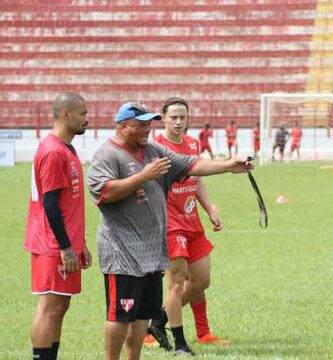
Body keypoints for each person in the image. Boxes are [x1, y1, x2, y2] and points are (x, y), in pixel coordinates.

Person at [87, 101, 253, 359]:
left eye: (149, 124)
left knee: (142, 319)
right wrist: (142, 176)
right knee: (120, 318)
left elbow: (190, 164)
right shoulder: (107, 154)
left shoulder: (154, 150)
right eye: (141, 124)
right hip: (122, 254)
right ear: (123, 125)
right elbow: (103, 192)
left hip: (153, 252)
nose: (147, 130)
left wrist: (229, 165)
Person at [146, 97, 228, 355]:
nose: (179, 122)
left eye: (183, 117)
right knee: (177, 282)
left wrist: (210, 209)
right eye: (173, 117)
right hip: (170, 224)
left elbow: (198, 179)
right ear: (164, 118)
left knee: (202, 281)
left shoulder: (192, 143)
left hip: (192, 221)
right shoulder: (155, 145)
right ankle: (180, 343)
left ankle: (158, 322)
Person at [24, 92, 92, 360]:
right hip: (52, 244)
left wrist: (79, 243)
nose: (87, 118)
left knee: (60, 306)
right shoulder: (53, 151)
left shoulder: (67, 148)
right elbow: (50, 204)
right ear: (66, 114)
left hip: (66, 243)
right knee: (50, 306)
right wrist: (65, 247)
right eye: (83, 114)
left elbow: (68, 202)